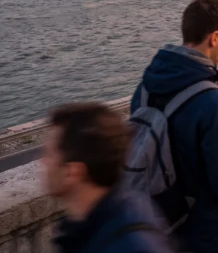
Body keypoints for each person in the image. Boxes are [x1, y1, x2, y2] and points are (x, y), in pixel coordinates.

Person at [132, 0, 218, 253]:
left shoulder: (146, 88)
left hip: (163, 225)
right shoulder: (214, 101)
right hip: (210, 233)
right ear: (214, 38)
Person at [47, 103, 173, 253]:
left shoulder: (128, 244)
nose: (43, 162)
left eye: (49, 154)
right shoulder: (95, 224)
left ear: (73, 171)